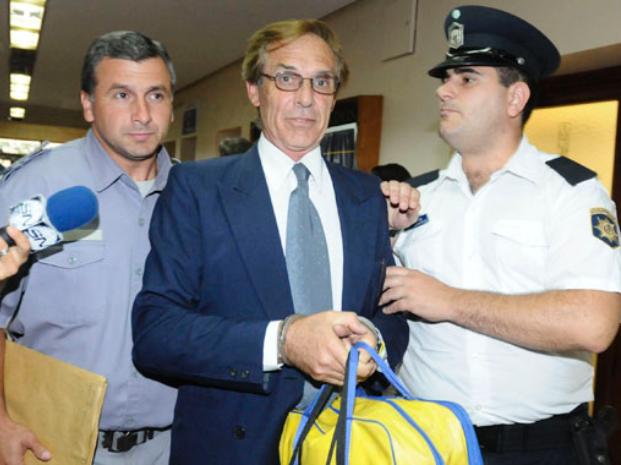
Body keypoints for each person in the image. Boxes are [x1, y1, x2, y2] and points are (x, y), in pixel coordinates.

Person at [132, 19, 413, 465]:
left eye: (322, 82)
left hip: (348, 441)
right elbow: (156, 332)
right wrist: (281, 342)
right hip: (232, 447)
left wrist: (373, 343)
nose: (306, 97)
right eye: (286, 78)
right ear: (254, 90)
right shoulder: (198, 190)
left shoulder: (365, 196)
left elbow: (391, 312)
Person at [381, 6, 621, 465]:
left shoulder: (570, 192)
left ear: (516, 99)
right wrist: (382, 237)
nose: (443, 90)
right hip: (424, 442)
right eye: (445, 79)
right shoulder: (414, 198)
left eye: (467, 79)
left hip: (539, 449)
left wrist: (450, 301)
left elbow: (592, 324)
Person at [0, 31, 177, 465]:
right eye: (121, 95)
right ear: (87, 104)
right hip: (52, 443)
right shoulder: (39, 187)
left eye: (156, 95)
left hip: (171, 447)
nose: (142, 114)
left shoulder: (194, 196)